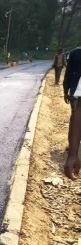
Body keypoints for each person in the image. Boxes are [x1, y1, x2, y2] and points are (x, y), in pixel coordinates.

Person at [63, 47, 81, 179]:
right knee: (75, 116)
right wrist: (73, 155)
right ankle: (73, 148)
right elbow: (69, 73)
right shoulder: (76, 54)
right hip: (76, 94)